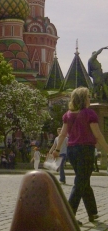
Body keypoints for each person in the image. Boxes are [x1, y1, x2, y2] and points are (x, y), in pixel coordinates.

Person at [52, 87, 108, 225]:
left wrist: (57, 150)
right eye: (88, 96)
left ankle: (92, 212)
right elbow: (98, 134)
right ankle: (68, 215)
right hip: (85, 150)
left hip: (72, 151)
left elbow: (63, 134)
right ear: (83, 99)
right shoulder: (90, 114)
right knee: (80, 183)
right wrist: (107, 148)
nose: (90, 98)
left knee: (84, 181)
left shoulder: (68, 115)